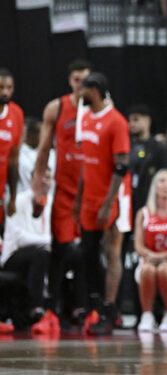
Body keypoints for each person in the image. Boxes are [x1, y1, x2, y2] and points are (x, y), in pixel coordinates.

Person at [31, 59, 90, 329]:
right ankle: (51, 310)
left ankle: (87, 309)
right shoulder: (57, 107)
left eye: (86, 80)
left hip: (92, 190)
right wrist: (38, 188)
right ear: (70, 81)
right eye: (77, 79)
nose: (81, 85)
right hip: (64, 192)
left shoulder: (100, 110)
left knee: (90, 251)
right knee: (59, 250)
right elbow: (43, 150)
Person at [75, 72, 132, 335]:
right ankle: (97, 304)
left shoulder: (116, 121)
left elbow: (122, 166)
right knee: (87, 252)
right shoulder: (85, 118)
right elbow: (86, 164)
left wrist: (109, 204)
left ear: (95, 90)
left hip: (113, 197)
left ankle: (109, 310)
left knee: (112, 251)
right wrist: (78, 199)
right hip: (89, 197)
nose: (78, 93)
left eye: (83, 89)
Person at [133, 169, 167, 332]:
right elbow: (138, 245)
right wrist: (150, 255)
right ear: (154, 186)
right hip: (149, 258)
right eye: (161, 181)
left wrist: (164, 256)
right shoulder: (144, 213)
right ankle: (147, 315)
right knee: (148, 270)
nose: (166, 185)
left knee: (164, 270)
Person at [1, 168, 55, 332]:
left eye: (48, 177)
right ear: (32, 180)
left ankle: (70, 311)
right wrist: (48, 241)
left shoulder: (52, 201)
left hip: (41, 253)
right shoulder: (18, 201)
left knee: (72, 255)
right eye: (41, 177)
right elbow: (20, 238)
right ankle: (36, 309)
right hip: (13, 256)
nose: (45, 181)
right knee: (41, 255)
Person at [127, 104, 167, 219]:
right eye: (129, 120)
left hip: (150, 202)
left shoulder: (159, 148)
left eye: (136, 119)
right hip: (128, 202)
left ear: (147, 120)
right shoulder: (127, 146)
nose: (131, 124)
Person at [0, 68, 23, 231]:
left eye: (9, 88)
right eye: (1, 88)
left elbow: (13, 159)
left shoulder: (16, 113)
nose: (6, 92)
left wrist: (13, 198)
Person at [18, 117, 54, 193]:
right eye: (41, 132)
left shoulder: (53, 154)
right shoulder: (20, 155)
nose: (45, 136)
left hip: (49, 198)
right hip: (22, 197)